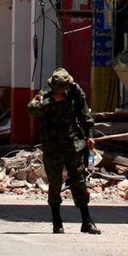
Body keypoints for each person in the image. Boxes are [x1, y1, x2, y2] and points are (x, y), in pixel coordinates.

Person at [28, 68, 100, 235]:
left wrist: (90, 136)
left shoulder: (75, 90)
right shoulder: (46, 93)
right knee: (54, 182)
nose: (61, 91)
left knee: (79, 180)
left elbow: (85, 114)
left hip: (73, 142)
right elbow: (32, 109)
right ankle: (57, 222)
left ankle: (86, 221)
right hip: (53, 144)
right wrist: (51, 100)